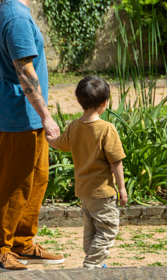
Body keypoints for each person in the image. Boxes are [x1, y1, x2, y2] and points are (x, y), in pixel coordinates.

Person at [0, 0, 65, 272]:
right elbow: (25, 72)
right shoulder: (16, 17)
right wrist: (47, 115)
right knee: (13, 186)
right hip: (19, 116)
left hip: (26, 117)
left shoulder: (12, 10)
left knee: (36, 180)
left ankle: (22, 242)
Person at [50, 76, 128, 268]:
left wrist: (49, 137)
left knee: (91, 229)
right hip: (102, 192)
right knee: (107, 230)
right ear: (105, 102)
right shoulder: (107, 129)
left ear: (79, 101)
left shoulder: (74, 126)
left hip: (84, 191)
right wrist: (122, 188)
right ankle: (91, 266)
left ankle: (97, 263)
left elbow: (61, 144)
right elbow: (115, 161)